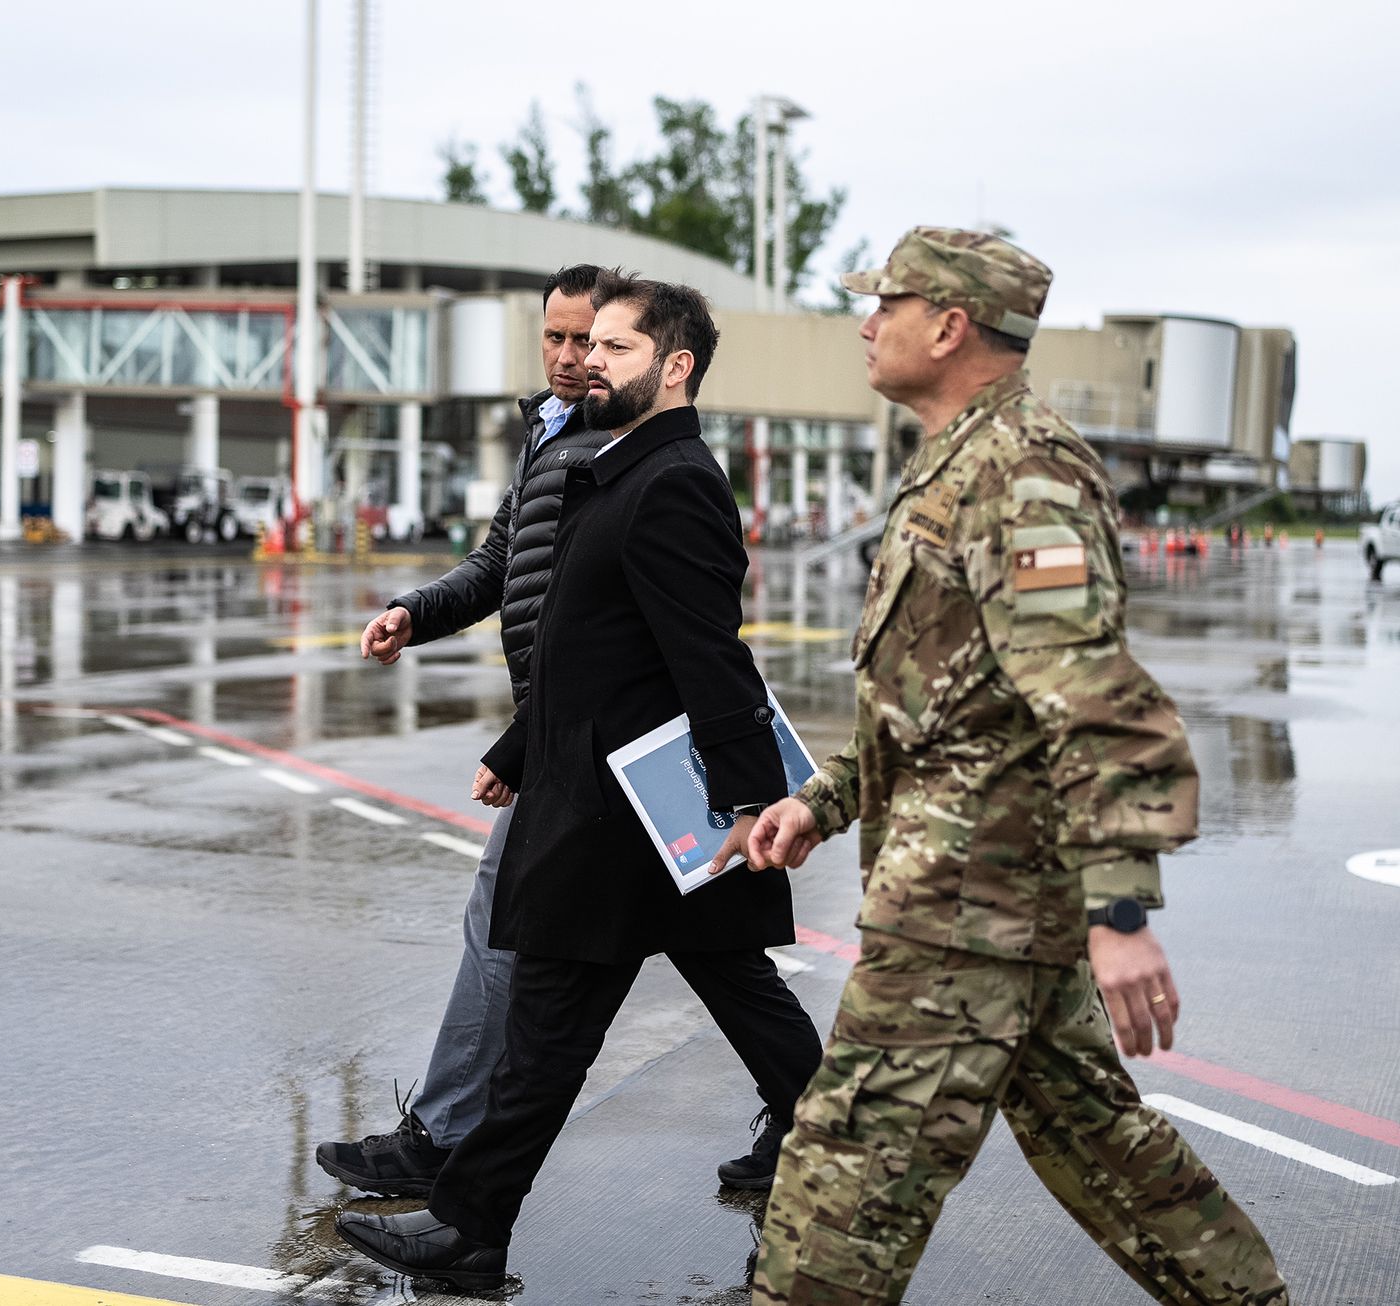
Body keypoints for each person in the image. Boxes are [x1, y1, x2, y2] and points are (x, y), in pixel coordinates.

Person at [740, 228, 1289, 1305]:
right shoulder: (959, 461)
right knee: (1104, 1148)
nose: (865, 322)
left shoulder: (1019, 473)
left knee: (838, 1188)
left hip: (963, 913)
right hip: (986, 900)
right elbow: (946, 699)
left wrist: (1121, 915)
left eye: (885, 303)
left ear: (948, 326)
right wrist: (824, 798)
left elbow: (1092, 693)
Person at [337, 274, 822, 1292]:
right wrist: (518, 751)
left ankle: (469, 1224)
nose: (586, 360)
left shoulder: (673, 479)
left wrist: (745, 804)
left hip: (629, 813)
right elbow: (592, 646)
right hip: (608, 799)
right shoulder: (613, 468)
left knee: (554, 1032)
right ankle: (475, 1225)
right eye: (585, 343)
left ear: (674, 365)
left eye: (612, 347)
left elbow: (707, 658)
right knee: (638, 1013)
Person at [315, 264, 617, 1198]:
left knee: (499, 922)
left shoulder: (620, 444)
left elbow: (593, 620)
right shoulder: (550, 429)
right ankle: (799, 1114)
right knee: (722, 960)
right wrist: (416, 609)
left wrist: (523, 742)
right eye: (555, 339)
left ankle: (447, 1146)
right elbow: (501, 561)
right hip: (569, 731)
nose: (569, 360)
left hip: (586, 737)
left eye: (587, 342)